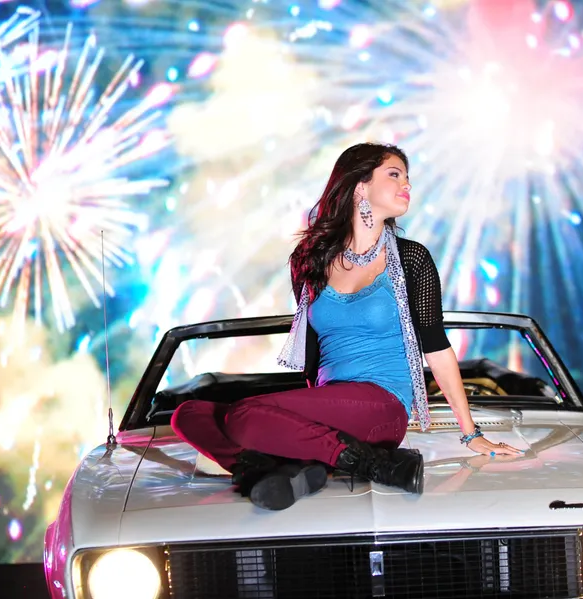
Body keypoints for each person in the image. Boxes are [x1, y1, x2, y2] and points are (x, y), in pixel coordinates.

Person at [171, 142, 520, 511]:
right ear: (360, 186)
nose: (407, 185)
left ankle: (371, 462)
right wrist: (294, 421)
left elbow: (435, 347)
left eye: (407, 178)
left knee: (243, 418)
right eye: (394, 174)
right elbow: (313, 353)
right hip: (331, 408)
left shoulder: (411, 258)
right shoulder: (308, 261)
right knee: (187, 414)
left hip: (381, 407)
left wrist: (471, 434)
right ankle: (277, 470)